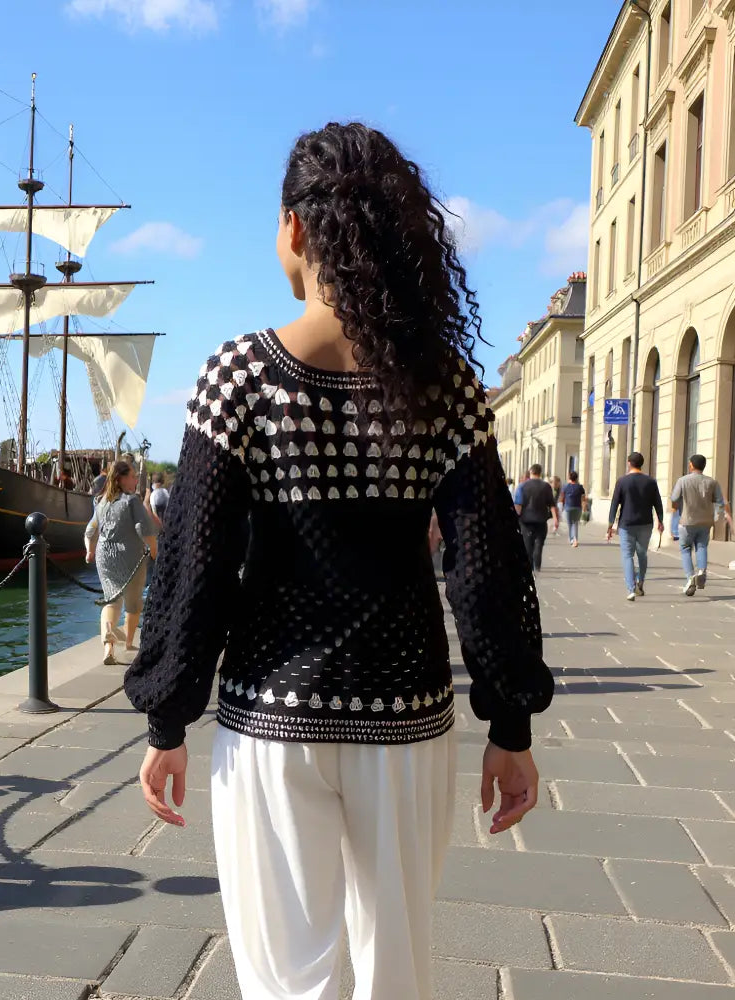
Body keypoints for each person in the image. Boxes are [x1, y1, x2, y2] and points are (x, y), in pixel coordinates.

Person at [122, 122, 553, 1000]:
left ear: (293, 227)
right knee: (396, 972)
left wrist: (168, 720)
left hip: (269, 716)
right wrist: (510, 727)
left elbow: (196, 567)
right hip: (407, 715)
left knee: (286, 983)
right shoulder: (445, 387)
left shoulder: (238, 378)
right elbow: (485, 569)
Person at [85, 460, 158, 664]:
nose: (135, 480)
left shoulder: (101, 502)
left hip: (104, 558)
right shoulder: (132, 500)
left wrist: (89, 551)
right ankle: (128, 643)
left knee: (112, 600)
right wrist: (154, 550)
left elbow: (90, 531)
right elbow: (144, 529)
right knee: (133, 604)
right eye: (133, 476)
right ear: (121, 479)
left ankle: (108, 647)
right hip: (130, 557)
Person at [607, 452, 664, 601]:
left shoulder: (622, 481)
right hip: (646, 523)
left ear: (629, 463)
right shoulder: (651, 482)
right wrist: (661, 521)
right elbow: (658, 503)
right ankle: (640, 581)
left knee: (627, 555)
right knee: (642, 554)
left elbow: (614, 503)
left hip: (626, 524)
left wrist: (610, 524)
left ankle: (631, 589)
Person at [670, 454, 728, 597]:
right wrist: (717, 517)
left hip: (687, 521)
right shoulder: (712, 482)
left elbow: (674, 498)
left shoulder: (683, 481)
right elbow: (720, 502)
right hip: (706, 522)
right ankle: (702, 571)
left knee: (685, 549)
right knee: (701, 546)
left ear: (691, 465)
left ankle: (690, 577)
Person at [514, 465, 559, 571]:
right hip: (541, 520)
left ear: (530, 472)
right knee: (539, 543)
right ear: (540, 473)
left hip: (526, 521)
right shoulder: (546, 486)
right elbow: (552, 504)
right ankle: (537, 566)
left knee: (527, 544)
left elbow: (518, 505)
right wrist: (555, 519)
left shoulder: (522, 486)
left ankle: (529, 567)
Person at [559, 471, 587, 548]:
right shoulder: (580, 487)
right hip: (577, 508)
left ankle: (572, 540)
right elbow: (583, 499)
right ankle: (575, 539)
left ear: (569, 477)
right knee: (575, 523)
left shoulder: (565, 486)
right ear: (577, 478)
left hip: (568, 508)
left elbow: (562, 497)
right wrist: (584, 508)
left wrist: (561, 508)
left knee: (570, 524)